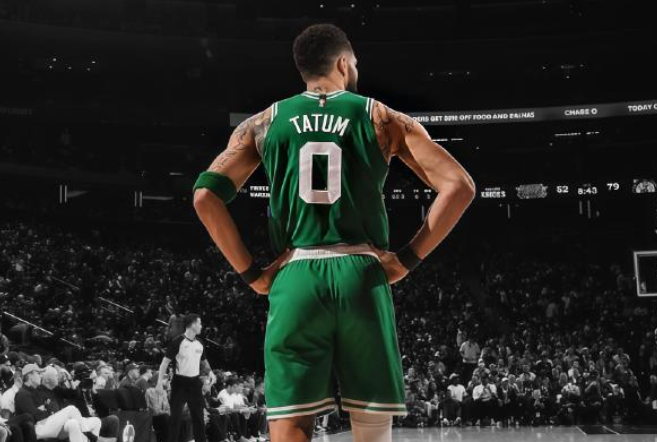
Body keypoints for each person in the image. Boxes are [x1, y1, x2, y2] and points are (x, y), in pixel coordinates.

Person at [192, 23, 475, 442]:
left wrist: (253, 275)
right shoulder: (380, 116)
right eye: (355, 63)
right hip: (362, 273)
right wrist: (406, 260)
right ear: (343, 63)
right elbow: (460, 186)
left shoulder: (263, 122)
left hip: (296, 273)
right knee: (372, 425)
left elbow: (204, 197)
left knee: (291, 422)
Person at [156, 314, 216, 442]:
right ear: (193, 324)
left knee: (199, 418)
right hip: (179, 383)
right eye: (199, 323)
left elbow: (204, 361)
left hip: (195, 383)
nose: (201, 326)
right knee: (175, 419)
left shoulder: (200, 343)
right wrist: (159, 383)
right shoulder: (177, 342)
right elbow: (164, 363)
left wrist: (210, 372)